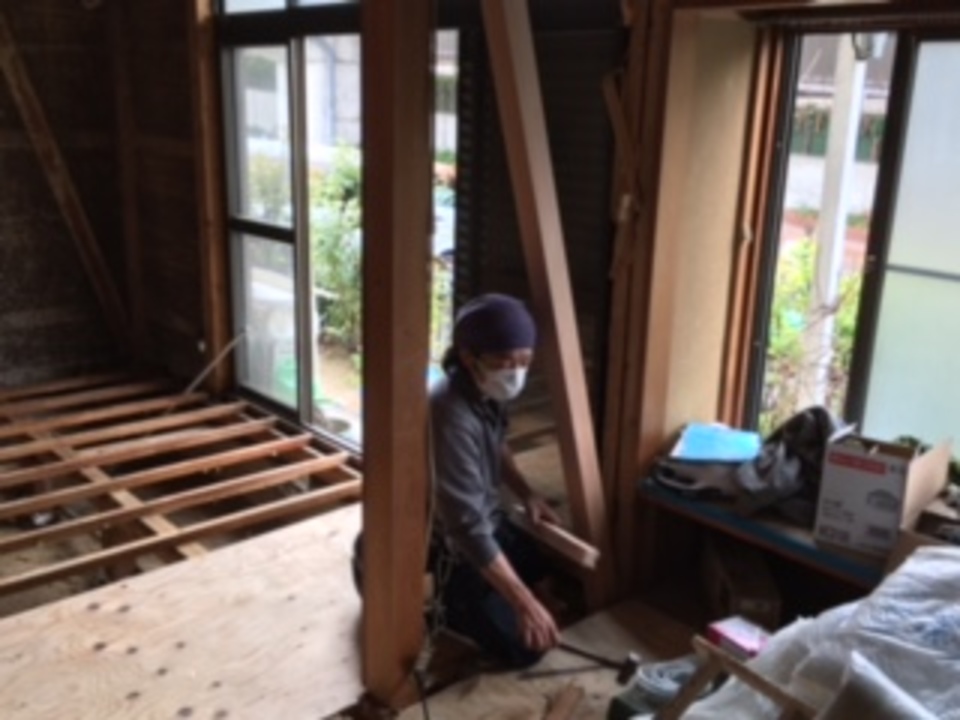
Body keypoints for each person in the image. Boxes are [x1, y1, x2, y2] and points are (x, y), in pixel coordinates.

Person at [429, 293, 561, 668]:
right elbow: (467, 527)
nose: (515, 372)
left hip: (488, 518)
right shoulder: (450, 415)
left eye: (525, 361)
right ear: (469, 356)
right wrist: (525, 604)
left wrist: (528, 494)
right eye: (505, 361)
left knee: (544, 576)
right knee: (525, 648)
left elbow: (498, 443)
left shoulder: (487, 388)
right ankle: (448, 606)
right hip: (450, 543)